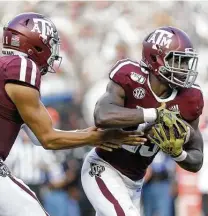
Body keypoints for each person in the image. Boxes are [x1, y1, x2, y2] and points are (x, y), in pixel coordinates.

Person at [0, 12, 146, 216]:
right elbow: (48, 139)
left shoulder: (6, 68)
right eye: (49, 44)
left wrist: (88, 134)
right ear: (35, 44)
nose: (52, 52)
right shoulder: (22, 66)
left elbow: (40, 138)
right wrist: (99, 136)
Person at [81, 26, 204, 216]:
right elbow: (102, 116)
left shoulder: (189, 98)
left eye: (186, 62)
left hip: (136, 182)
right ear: (156, 59)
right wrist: (154, 114)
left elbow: (196, 158)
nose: (184, 69)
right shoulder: (131, 76)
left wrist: (178, 154)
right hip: (103, 168)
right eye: (178, 61)